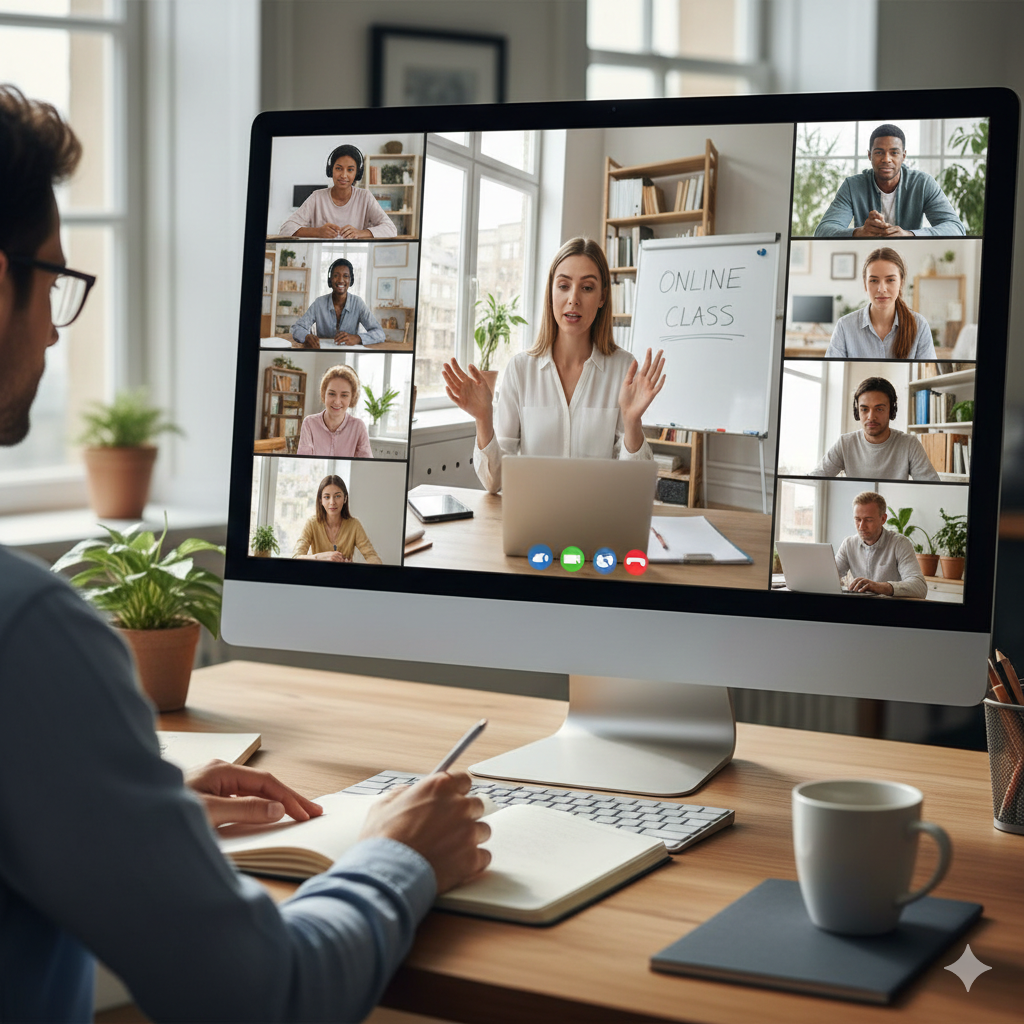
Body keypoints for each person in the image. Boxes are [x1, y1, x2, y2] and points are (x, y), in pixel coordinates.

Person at [0, 85, 488, 1021]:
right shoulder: (26, 639)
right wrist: (401, 853)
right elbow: (270, 996)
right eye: (53, 281)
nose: (56, 334)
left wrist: (116, 804)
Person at [442, 237, 665, 494]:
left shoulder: (623, 369)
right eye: (563, 285)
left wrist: (632, 421)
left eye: (587, 288)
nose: (573, 299)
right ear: (551, 292)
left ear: (603, 296)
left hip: (597, 522)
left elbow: (633, 487)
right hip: (534, 524)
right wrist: (483, 419)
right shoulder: (520, 370)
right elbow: (494, 482)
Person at [813, 124, 966, 238]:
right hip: (865, 259)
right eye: (879, 152)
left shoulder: (923, 183)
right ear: (869, 155)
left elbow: (956, 229)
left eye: (894, 153)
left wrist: (909, 235)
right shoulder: (852, 186)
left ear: (903, 156)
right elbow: (822, 231)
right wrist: (858, 232)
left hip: (910, 257)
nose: (886, 159)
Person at [810, 376, 940, 481]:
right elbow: (815, 478)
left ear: (891, 410)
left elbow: (932, 487)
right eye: (864, 409)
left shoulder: (909, 444)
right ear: (857, 412)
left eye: (879, 409)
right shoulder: (845, 443)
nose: (871, 417)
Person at [825, 247, 937, 359]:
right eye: (874, 280)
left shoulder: (920, 326)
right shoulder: (844, 327)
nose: (882, 289)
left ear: (901, 283)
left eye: (890, 280)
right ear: (865, 284)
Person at [279, 144, 397, 239]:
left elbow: (391, 229)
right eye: (339, 168)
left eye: (350, 170)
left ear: (357, 173)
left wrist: (360, 233)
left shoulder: (365, 197)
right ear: (331, 170)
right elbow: (285, 229)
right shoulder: (317, 197)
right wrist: (318, 232)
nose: (343, 175)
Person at [835, 491, 927, 598]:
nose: (861, 526)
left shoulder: (900, 544)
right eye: (857, 519)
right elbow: (829, 577)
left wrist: (880, 587)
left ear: (883, 519)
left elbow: (920, 587)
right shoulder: (848, 544)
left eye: (868, 520)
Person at [291, 257, 386, 348]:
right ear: (330, 279)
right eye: (336, 275)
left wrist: (358, 338)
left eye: (345, 276)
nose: (340, 280)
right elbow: (297, 328)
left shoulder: (358, 303)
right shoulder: (319, 303)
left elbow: (380, 333)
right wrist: (306, 337)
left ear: (350, 280)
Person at [292, 474, 383, 563]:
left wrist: (354, 569)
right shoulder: (312, 523)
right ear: (321, 500)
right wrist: (320, 556)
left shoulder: (354, 525)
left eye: (337, 496)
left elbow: (372, 557)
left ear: (345, 498)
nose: (332, 502)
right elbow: (295, 557)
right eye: (327, 497)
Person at [297, 364, 372, 458]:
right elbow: (304, 461)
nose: (337, 401)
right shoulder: (309, 423)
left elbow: (365, 463)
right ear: (324, 394)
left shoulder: (358, 427)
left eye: (344, 395)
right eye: (332, 394)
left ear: (352, 398)